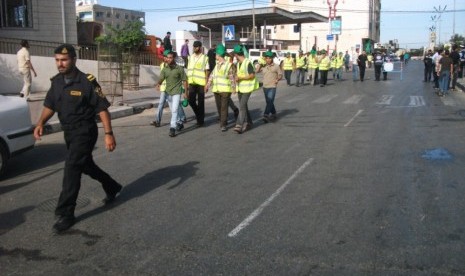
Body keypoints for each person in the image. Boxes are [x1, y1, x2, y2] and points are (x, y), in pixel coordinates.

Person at [33, 44, 122, 233]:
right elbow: (50, 104)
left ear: (74, 59)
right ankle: (111, 186)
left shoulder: (87, 82)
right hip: (69, 132)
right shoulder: (56, 81)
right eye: (57, 60)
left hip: (85, 131)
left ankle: (66, 213)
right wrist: (40, 122)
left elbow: (102, 109)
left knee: (72, 166)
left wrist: (108, 134)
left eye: (64, 60)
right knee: (85, 165)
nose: (60, 64)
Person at [151, 50, 186, 128]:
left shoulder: (178, 68)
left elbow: (183, 79)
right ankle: (158, 121)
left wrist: (185, 92)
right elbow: (161, 77)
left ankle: (179, 121)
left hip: (175, 89)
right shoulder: (162, 66)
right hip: (165, 89)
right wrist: (158, 84)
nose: (166, 58)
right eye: (165, 57)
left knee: (176, 106)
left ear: (172, 58)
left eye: (168, 57)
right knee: (162, 105)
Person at [205, 44, 236, 132]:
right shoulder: (217, 65)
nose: (215, 55)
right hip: (216, 90)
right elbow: (212, 76)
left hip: (225, 90)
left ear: (218, 55)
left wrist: (234, 88)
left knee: (224, 107)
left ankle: (223, 124)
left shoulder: (228, 65)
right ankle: (222, 119)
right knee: (219, 107)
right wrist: (208, 85)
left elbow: (231, 77)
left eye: (215, 54)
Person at [233, 45, 259, 134]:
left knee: (242, 106)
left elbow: (252, 75)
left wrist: (241, 78)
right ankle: (249, 122)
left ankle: (239, 124)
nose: (234, 57)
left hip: (247, 88)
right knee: (243, 106)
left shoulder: (247, 63)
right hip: (240, 88)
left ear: (236, 55)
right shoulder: (238, 64)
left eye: (234, 55)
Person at [187, 41, 209, 126]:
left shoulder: (204, 58)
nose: (194, 48)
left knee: (201, 103)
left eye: (196, 47)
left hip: (201, 83)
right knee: (191, 101)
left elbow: (207, 70)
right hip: (192, 82)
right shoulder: (190, 57)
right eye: (193, 47)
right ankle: (199, 115)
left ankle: (200, 120)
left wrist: (206, 84)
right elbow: (189, 69)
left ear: (200, 47)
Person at [257, 50, 282, 122]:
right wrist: (260, 64)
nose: (268, 59)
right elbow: (257, 71)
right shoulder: (263, 66)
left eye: (269, 58)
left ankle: (266, 114)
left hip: (272, 86)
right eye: (266, 58)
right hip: (265, 86)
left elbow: (280, 75)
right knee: (269, 102)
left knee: (270, 101)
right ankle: (274, 113)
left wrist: (277, 79)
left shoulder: (276, 66)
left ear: (272, 58)